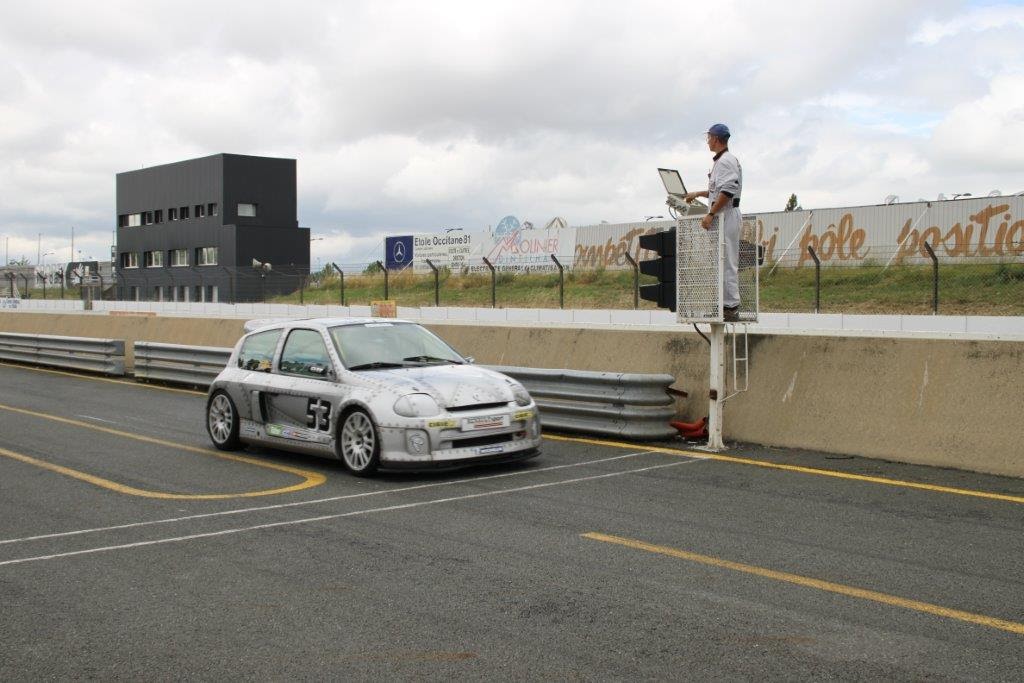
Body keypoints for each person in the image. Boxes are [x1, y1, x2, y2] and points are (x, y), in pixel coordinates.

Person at [685, 123, 743, 322]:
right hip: (723, 215)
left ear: (716, 139)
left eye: (709, 137)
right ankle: (725, 304)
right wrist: (698, 193)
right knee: (722, 260)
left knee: (727, 261)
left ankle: (731, 307)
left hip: (726, 215)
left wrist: (710, 213)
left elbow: (728, 191)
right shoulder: (722, 161)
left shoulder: (726, 161)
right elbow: (717, 190)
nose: (707, 141)